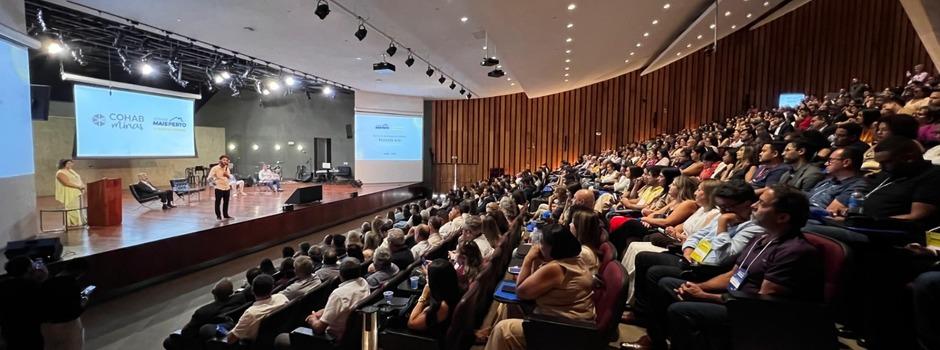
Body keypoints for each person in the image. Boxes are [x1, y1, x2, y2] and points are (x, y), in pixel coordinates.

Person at [624, 185, 822, 350]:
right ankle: (657, 341)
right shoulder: (763, 238)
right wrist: (702, 288)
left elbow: (762, 303)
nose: (754, 206)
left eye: (761, 204)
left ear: (782, 217)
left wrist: (706, 296)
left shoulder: (794, 250)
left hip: (754, 313)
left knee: (681, 310)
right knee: (667, 283)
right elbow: (733, 274)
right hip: (733, 295)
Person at [484, 224, 595, 350]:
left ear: (554, 247)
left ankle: (496, 338)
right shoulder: (575, 259)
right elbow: (531, 282)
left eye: (542, 244)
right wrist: (537, 260)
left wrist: (529, 258)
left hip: (564, 329)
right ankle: (493, 336)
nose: (539, 247)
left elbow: (521, 291)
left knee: (503, 330)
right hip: (568, 321)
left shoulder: (556, 268)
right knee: (509, 304)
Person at [299, 259, 370, 341]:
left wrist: (312, 319)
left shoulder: (338, 294)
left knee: (282, 338)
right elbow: (344, 307)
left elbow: (319, 329)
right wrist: (323, 312)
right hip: (356, 335)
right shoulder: (364, 282)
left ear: (340, 275)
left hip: (332, 339)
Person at [164, 278, 242, 349]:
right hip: (230, 330)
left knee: (168, 342)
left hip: (204, 340)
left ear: (213, 294)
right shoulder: (240, 298)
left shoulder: (203, 312)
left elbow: (186, 332)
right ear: (232, 292)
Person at [40, 258, 90, 350]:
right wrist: (84, 301)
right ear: (80, 272)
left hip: (47, 327)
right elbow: (75, 311)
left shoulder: (46, 283)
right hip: (67, 326)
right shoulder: (72, 285)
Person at [0, 256, 48, 350]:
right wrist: (44, 278)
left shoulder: (2, 286)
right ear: (29, 269)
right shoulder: (32, 287)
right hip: (31, 333)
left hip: (8, 333)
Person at [407, 259, 460, 339]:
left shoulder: (442, 306)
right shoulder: (456, 288)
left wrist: (423, 296)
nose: (427, 278)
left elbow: (412, 323)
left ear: (435, 281)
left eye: (428, 276)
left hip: (427, 340)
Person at [226, 274, 288, 343]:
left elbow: (230, 339)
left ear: (252, 291)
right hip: (277, 335)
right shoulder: (282, 297)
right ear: (272, 287)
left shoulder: (251, 313)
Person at [805, 147, 867, 213]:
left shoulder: (857, 186)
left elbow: (830, 213)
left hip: (815, 220)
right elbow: (809, 196)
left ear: (846, 162)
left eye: (830, 160)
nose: (826, 163)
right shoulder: (827, 180)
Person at [55, 159, 85, 226]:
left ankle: (80, 220)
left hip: (77, 191)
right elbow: (66, 183)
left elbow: (78, 179)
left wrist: (82, 186)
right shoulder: (60, 172)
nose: (71, 165)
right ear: (63, 164)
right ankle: (73, 222)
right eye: (69, 163)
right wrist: (78, 186)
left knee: (78, 206)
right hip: (70, 192)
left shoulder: (71, 171)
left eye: (71, 163)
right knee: (72, 207)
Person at [208, 155, 234, 220]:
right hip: (219, 188)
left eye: (226, 160)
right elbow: (209, 178)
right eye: (224, 160)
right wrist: (213, 183)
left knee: (226, 202)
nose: (225, 161)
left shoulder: (227, 168)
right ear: (220, 161)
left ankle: (226, 215)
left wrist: (227, 175)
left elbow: (230, 178)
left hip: (227, 187)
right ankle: (218, 216)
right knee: (218, 202)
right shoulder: (215, 168)